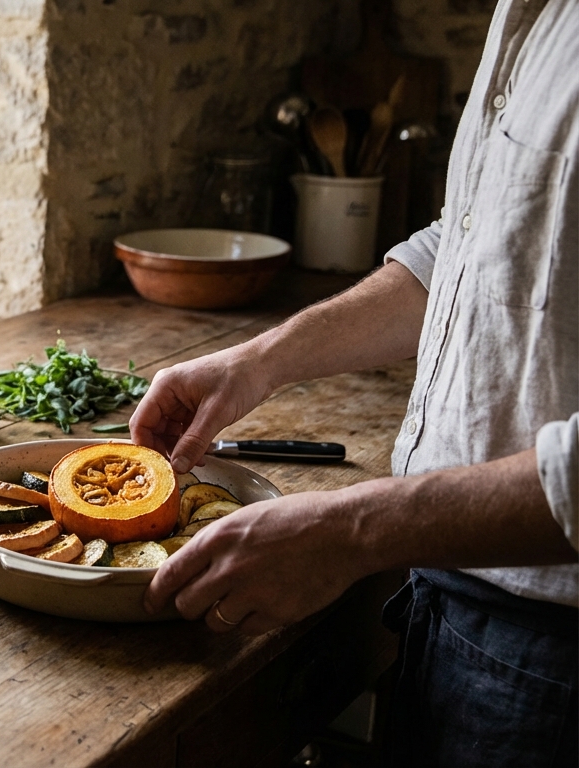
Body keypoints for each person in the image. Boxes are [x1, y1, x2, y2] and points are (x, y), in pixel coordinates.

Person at [129, 1, 577, 765]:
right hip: (449, 588)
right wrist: (259, 361)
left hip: (554, 655)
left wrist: (351, 532)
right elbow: (470, 246)